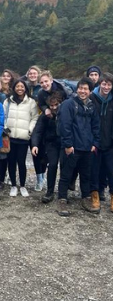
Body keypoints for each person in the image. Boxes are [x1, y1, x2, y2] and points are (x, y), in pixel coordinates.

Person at [56, 77, 100, 217]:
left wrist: (95, 143)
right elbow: (65, 125)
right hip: (72, 147)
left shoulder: (92, 106)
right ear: (77, 89)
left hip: (87, 147)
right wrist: (68, 144)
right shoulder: (69, 104)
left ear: (90, 91)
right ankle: (62, 199)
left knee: (86, 175)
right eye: (80, 88)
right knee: (66, 174)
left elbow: (96, 126)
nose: (82, 91)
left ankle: (86, 198)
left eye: (85, 89)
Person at [4, 79, 39, 198]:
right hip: (10, 137)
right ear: (14, 88)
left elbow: (35, 117)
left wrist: (30, 129)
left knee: (21, 162)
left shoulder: (31, 102)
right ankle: (13, 185)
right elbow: (3, 116)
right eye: (17, 86)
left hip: (24, 138)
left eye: (22, 86)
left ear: (25, 88)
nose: (20, 88)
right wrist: (5, 127)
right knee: (11, 161)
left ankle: (23, 185)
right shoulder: (8, 101)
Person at [31, 93, 63, 203]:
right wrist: (34, 145)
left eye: (56, 105)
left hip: (64, 143)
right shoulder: (45, 115)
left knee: (65, 166)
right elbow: (38, 131)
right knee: (52, 165)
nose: (54, 108)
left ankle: (63, 192)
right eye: (52, 106)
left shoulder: (66, 113)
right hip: (51, 143)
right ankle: (50, 191)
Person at [89, 73, 113, 211]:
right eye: (104, 84)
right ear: (100, 83)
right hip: (95, 142)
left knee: (111, 171)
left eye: (109, 84)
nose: (106, 87)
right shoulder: (92, 98)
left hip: (110, 142)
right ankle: (95, 195)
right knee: (94, 170)